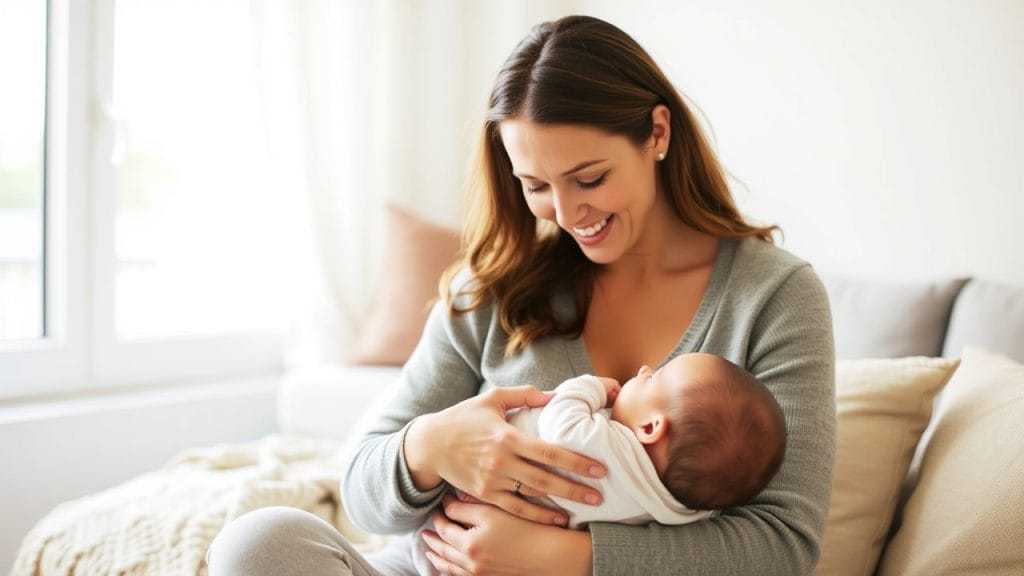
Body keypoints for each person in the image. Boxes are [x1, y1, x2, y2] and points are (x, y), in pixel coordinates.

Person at [207, 14, 835, 576]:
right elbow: (361, 487)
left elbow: (783, 544)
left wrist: (564, 559)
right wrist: (429, 447)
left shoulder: (773, 297)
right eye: (536, 186)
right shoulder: (494, 288)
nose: (567, 213)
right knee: (259, 544)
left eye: (588, 178)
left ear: (657, 133)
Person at [399, 352, 787, 576]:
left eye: (656, 377)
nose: (644, 369)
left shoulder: (611, 449)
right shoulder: (683, 509)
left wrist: (589, 387)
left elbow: (560, 423)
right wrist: (426, 444)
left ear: (651, 428)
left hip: (458, 529)